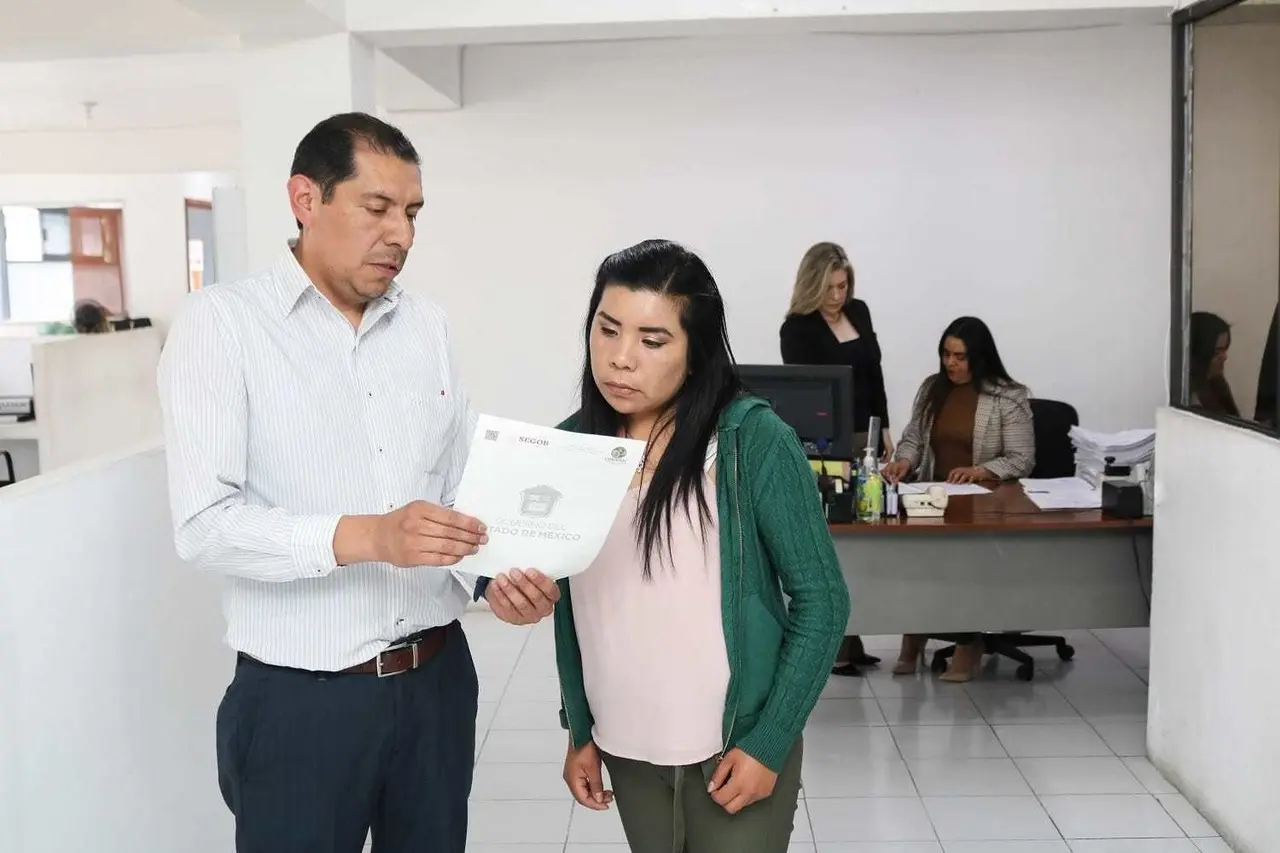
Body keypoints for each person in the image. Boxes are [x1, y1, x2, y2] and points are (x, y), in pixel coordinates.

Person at [157, 112, 559, 853]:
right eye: (377, 208)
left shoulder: (427, 327)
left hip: (436, 684)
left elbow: (458, 483)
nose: (401, 234)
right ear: (305, 199)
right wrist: (367, 535)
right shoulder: (223, 326)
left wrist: (494, 576)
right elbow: (205, 524)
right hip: (301, 702)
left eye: (411, 213)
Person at [553, 239, 850, 853]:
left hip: (734, 748)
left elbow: (823, 602)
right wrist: (580, 726)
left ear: (696, 352)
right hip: (625, 743)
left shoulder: (753, 441)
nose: (620, 359)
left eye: (653, 340)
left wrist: (769, 742)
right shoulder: (571, 447)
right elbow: (572, 605)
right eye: (607, 330)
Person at [881, 316, 1034, 682]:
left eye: (960, 357)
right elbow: (914, 439)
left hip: (984, 505)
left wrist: (980, 470)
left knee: (966, 564)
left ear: (979, 358)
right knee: (914, 565)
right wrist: (903, 461)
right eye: (946, 354)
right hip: (934, 498)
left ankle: (969, 646)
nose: (950, 363)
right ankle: (913, 635)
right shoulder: (933, 388)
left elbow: (1021, 458)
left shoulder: (1008, 396)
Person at [778, 241, 889, 677]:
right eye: (830, 288)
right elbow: (805, 394)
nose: (838, 296)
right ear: (813, 285)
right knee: (839, 540)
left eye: (843, 286)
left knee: (875, 528)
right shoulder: (798, 329)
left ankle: (861, 634)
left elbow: (875, 374)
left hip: (867, 433)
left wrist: (884, 430)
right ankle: (842, 640)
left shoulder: (858, 313)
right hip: (827, 443)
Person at [1188, 311, 1239, 418]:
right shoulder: (1189, 401)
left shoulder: (1217, 383)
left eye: (1225, 350)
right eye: (1217, 353)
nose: (1225, 358)